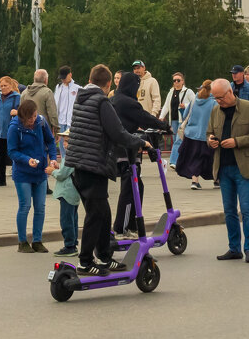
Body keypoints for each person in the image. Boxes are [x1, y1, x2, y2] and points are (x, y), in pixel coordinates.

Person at [65, 64, 149, 276]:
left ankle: (104, 256)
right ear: (109, 83)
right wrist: (140, 142)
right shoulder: (102, 101)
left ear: (90, 79)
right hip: (94, 165)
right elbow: (117, 132)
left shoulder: (81, 99)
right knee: (96, 213)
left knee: (103, 212)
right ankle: (85, 261)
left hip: (80, 164)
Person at [207, 78, 249, 263]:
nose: (218, 101)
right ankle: (234, 248)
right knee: (229, 211)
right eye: (215, 98)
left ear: (230, 92)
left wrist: (237, 141)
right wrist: (211, 140)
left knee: (247, 210)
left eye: (220, 97)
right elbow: (209, 132)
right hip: (223, 167)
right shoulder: (215, 110)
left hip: (243, 167)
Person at [109, 71, 164, 237]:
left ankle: (132, 223)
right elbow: (144, 117)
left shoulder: (115, 99)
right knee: (130, 189)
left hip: (118, 149)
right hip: (126, 151)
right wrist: (164, 126)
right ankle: (121, 227)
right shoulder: (128, 102)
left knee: (137, 186)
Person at [7, 98, 57, 253]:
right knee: (25, 206)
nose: (33, 120)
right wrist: (26, 160)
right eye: (30, 118)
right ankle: (22, 242)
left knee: (40, 207)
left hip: (40, 171)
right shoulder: (15, 128)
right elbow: (12, 151)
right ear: (22, 117)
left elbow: (50, 141)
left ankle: (37, 240)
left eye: (35, 116)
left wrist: (53, 158)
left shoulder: (41, 122)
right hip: (23, 173)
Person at [173, 80, 217, 190]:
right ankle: (217, 180)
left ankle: (194, 181)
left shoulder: (194, 100)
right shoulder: (214, 103)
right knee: (212, 158)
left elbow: (186, 115)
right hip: (207, 135)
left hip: (191, 135)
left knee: (194, 158)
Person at [49, 131, 80, 258]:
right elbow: (64, 170)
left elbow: (62, 175)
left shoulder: (71, 156)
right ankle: (73, 243)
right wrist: (58, 167)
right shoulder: (75, 155)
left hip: (67, 191)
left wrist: (52, 172)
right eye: (64, 141)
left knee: (66, 220)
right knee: (72, 218)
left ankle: (69, 246)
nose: (65, 144)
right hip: (73, 192)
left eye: (67, 141)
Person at [159, 72, 195, 168]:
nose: (176, 82)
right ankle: (183, 161)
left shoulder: (188, 92)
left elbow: (195, 103)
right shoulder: (171, 92)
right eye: (174, 80)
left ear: (182, 81)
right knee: (177, 140)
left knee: (178, 141)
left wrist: (185, 106)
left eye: (178, 80)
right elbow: (166, 105)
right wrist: (161, 117)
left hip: (183, 120)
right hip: (173, 120)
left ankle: (173, 161)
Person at [0, 76, 21, 187]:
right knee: (0, 156)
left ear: (11, 85)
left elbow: (23, 111)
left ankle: (19, 176)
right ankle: (0, 179)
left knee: (15, 154)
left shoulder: (16, 97)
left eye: (5, 85)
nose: (3, 88)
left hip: (11, 130)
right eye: (1, 86)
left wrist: (17, 112)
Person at [23, 69, 58, 135]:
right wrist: (56, 129)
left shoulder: (24, 93)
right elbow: (52, 113)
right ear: (46, 80)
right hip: (43, 129)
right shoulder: (47, 92)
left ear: (34, 79)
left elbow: (21, 112)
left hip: (27, 129)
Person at [54, 66, 79, 133]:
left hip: (71, 122)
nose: (63, 80)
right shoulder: (58, 87)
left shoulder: (77, 88)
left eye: (64, 77)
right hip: (60, 122)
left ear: (70, 75)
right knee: (61, 143)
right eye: (61, 78)